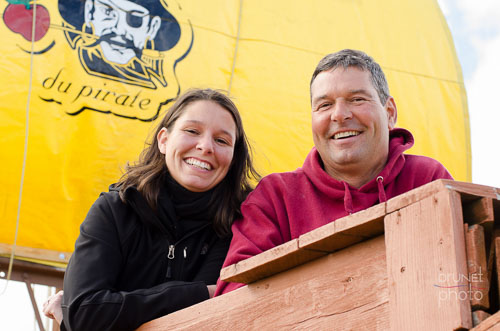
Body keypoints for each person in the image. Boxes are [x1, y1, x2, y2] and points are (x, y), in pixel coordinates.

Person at [214, 49, 453, 296]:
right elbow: (236, 294)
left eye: (357, 99)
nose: (339, 115)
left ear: (390, 113)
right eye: (325, 105)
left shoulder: (427, 180)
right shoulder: (275, 198)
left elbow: (460, 273)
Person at [43, 88, 259, 330]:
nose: (206, 146)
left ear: (233, 157)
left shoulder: (237, 226)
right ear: (164, 140)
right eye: (192, 131)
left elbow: (210, 321)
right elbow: (85, 314)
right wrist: (199, 293)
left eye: (222, 140)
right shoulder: (115, 210)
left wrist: (96, 313)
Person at [58, 0, 184, 87]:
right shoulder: (61, 65)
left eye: (135, 19)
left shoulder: (158, 83)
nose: (120, 30)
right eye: (108, 13)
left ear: (152, 27)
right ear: (89, 12)